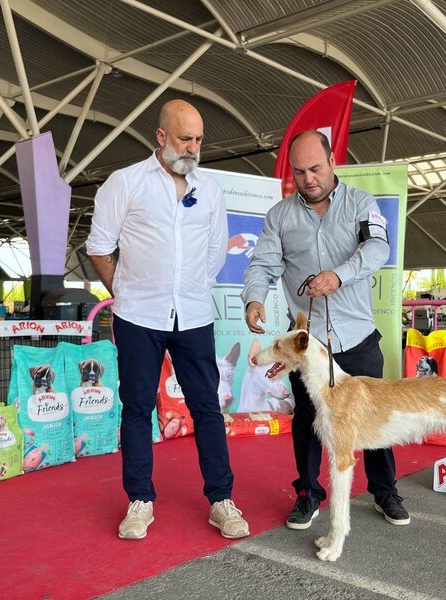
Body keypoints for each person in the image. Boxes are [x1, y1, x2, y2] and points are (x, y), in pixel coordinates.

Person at [86, 99, 249, 541]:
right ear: (161, 137)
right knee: (137, 407)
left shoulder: (210, 189)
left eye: (198, 139)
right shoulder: (126, 183)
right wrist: (126, 292)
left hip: (193, 315)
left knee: (207, 407)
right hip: (138, 316)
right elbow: (99, 246)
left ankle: (221, 500)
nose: (193, 147)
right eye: (184, 138)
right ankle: (140, 501)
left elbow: (215, 252)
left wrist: (192, 287)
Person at [242, 130, 409, 530]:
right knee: (307, 420)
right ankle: (308, 494)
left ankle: (384, 490)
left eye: (316, 168)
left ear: (333, 161)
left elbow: (377, 248)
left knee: (374, 415)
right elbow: (262, 264)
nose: (309, 179)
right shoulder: (279, 216)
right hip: (308, 344)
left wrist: (339, 275)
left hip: (356, 336)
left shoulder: (361, 204)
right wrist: (254, 299)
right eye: (299, 172)